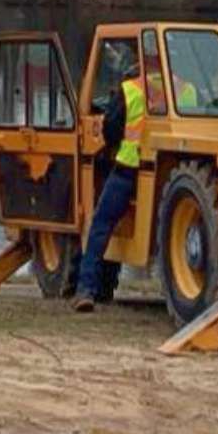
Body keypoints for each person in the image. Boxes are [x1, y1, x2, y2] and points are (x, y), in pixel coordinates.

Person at [73, 56, 149, 312]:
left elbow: (111, 129)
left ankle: (86, 290)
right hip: (163, 174)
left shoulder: (130, 90)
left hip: (129, 169)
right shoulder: (185, 90)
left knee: (101, 225)